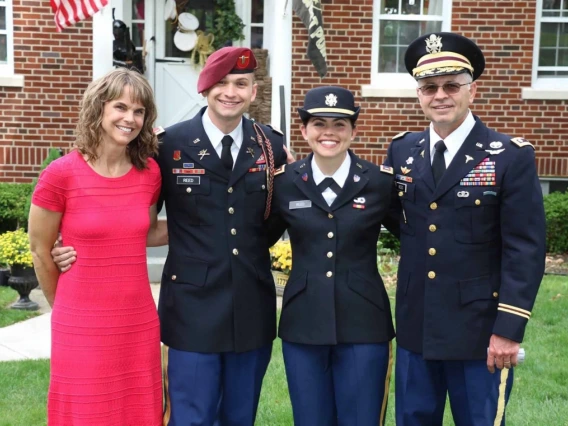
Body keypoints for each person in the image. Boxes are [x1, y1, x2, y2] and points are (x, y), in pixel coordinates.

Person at [53, 47, 288, 426]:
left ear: (254, 92)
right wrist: (70, 241)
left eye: (241, 84)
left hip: (251, 304)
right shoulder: (167, 146)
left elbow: (277, 218)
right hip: (192, 308)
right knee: (190, 417)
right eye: (221, 83)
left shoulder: (271, 147)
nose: (231, 92)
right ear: (205, 88)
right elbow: (125, 208)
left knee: (240, 416)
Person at [383, 32, 546, 425]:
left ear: (472, 91)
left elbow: (525, 249)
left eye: (451, 85)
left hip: (480, 334)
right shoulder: (402, 151)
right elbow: (394, 220)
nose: (440, 95)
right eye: (429, 87)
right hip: (415, 328)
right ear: (419, 95)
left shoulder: (509, 157)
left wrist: (509, 328)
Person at [28, 68, 167, 425]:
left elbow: (144, 231)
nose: (130, 118)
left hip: (137, 319)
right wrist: (63, 307)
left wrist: (218, 227)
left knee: (138, 411)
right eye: (120, 107)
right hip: (81, 321)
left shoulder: (149, 172)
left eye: (139, 112)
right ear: (99, 109)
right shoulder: (60, 174)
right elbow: (41, 251)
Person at [267, 86, 395, 426]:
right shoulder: (284, 184)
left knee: (362, 419)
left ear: (353, 130)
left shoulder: (380, 183)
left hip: (365, 325)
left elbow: (414, 235)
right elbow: (256, 237)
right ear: (304, 130)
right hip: (303, 324)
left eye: (340, 124)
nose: (329, 133)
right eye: (319, 123)